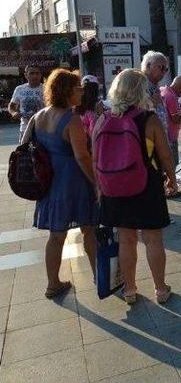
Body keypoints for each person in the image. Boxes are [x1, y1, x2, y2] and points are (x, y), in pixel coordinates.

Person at [93, 68, 176, 305]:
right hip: (146, 185)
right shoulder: (148, 119)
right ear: (142, 91)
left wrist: (100, 188)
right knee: (153, 239)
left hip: (113, 188)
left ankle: (129, 290)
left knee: (126, 240)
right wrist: (172, 179)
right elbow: (165, 155)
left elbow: (95, 159)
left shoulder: (102, 120)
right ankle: (160, 289)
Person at [21, 69, 97, 298]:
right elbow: (82, 157)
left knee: (56, 236)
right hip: (74, 183)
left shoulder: (38, 116)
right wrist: (97, 184)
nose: (82, 92)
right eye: (78, 88)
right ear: (66, 91)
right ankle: (98, 276)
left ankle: (52, 283)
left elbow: (24, 147)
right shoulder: (72, 120)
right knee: (89, 230)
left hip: (50, 184)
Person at [161, 76, 181, 198]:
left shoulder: (164, 90)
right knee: (172, 164)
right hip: (170, 137)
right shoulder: (171, 96)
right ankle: (170, 190)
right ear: (179, 86)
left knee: (167, 164)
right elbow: (176, 118)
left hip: (166, 135)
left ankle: (166, 188)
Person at [10, 65, 44, 141]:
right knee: (23, 152)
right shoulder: (19, 89)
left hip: (42, 129)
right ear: (26, 75)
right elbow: (11, 106)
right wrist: (14, 113)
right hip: (25, 129)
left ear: (40, 75)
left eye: (37, 73)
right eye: (32, 73)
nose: (35, 76)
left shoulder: (46, 88)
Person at [141, 50, 170, 136]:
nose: (164, 72)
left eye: (166, 69)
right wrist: (152, 103)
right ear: (149, 66)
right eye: (161, 68)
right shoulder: (140, 84)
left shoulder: (154, 84)